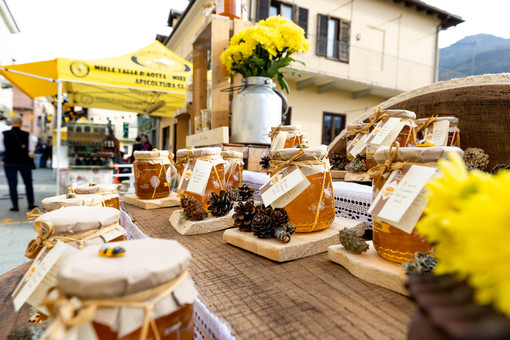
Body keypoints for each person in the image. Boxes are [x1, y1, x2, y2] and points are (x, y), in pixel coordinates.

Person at [1, 116, 37, 211]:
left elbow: (1, 149)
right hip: (24, 162)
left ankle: (15, 206)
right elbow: (31, 149)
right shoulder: (26, 134)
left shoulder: (4, 134)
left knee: (12, 184)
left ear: (11, 123)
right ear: (21, 124)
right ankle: (31, 203)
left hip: (9, 162)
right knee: (28, 183)